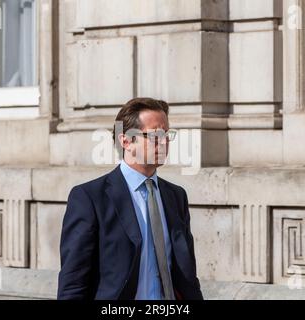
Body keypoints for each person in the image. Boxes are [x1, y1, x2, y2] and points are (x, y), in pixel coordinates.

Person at [57, 97, 203, 300]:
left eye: (167, 135)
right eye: (155, 135)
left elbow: (187, 278)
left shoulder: (176, 197)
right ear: (125, 141)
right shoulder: (89, 198)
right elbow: (73, 284)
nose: (164, 142)